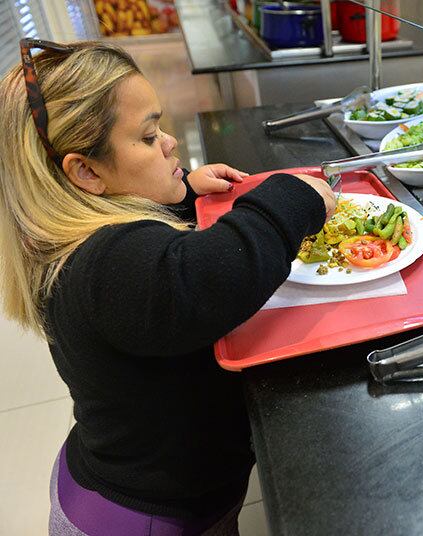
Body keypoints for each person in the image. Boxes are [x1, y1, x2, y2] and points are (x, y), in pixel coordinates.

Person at [0, 39, 336, 535]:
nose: (170, 143)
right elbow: (207, 279)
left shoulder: (73, 230)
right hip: (145, 517)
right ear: (86, 171)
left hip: (134, 479)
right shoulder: (102, 266)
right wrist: (292, 198)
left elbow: (155, 261)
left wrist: (181, 194)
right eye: (148, 135)